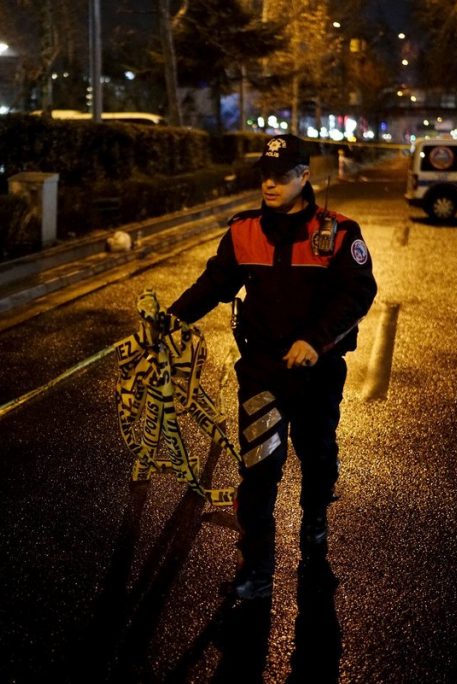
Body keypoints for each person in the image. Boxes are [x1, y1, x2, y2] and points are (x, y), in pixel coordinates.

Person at [167, 135, 377, 600]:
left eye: (282, 176)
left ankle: (315, 524)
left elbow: (358, 294)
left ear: (305, 176)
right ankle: (256, 568)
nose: (270, 183)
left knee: (317, 454)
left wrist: (314, 341)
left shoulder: (340, 232)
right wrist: (169, 322)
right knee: (259, 468)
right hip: (262, 371)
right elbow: (214, 284)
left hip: (317, 372)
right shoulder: (243, 231)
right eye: (264, 174)